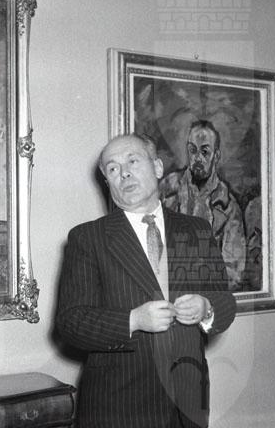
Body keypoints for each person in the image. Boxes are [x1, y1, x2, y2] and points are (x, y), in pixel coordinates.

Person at [55, 134, 236, 428]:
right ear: (108, 183)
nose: (124, 173)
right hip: (119, 408)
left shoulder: (197, 229)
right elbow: (71, 323)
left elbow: (225, 302)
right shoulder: (87, 238)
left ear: (158, 168)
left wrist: (207, 308)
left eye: (133, 161)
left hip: (188, 405)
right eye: (113, 168)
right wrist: (133, 320)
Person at [160, 120, 246, 290]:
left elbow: (234, 273)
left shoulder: (228, 207)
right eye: (193, 150)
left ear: (216, 156)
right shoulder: (167, 189)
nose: (197, 158)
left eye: (205, 152)